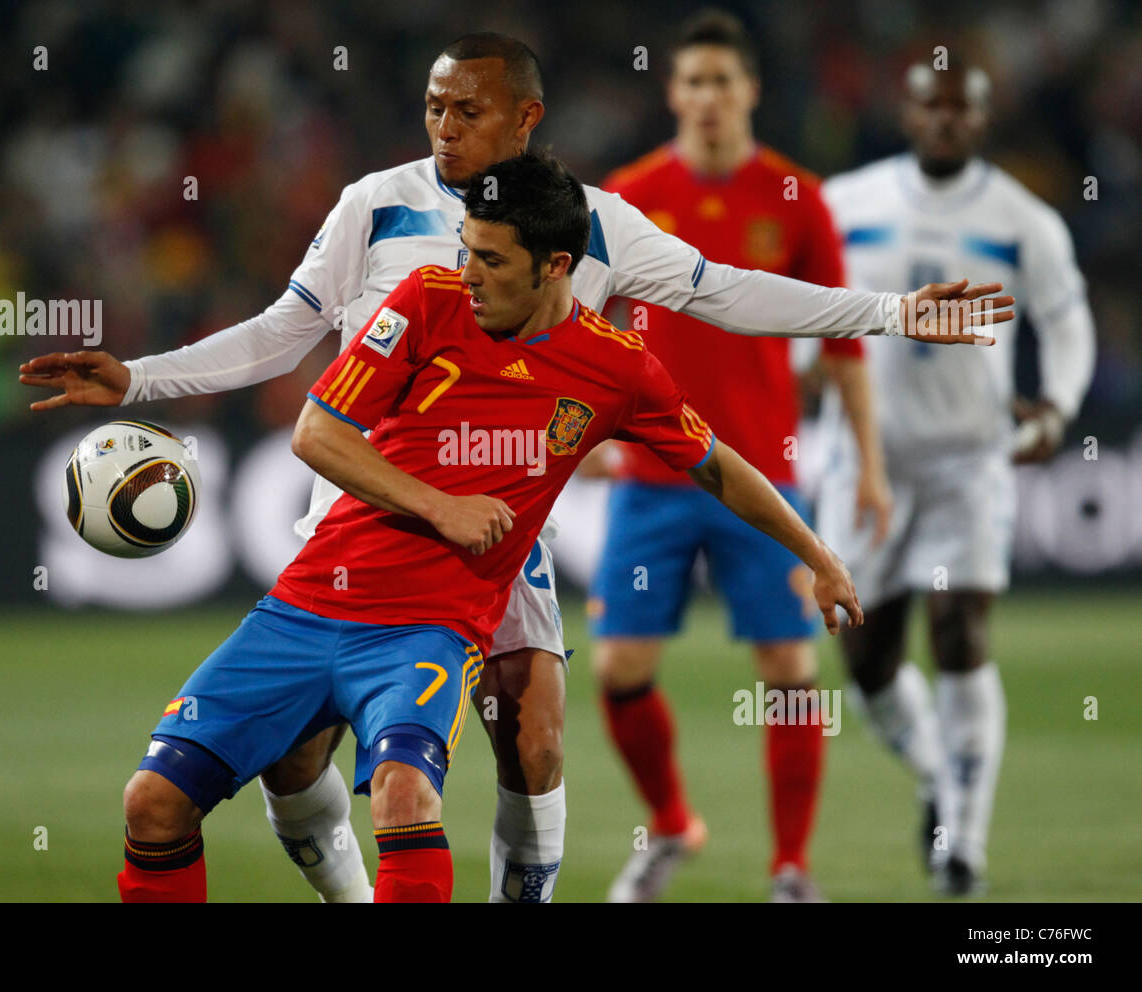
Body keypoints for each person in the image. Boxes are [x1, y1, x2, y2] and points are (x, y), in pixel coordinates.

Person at [21, 34, 1010, 903]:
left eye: (467, 108)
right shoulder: (377, 209)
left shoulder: (593, 225)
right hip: (356, 505)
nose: (444, 126)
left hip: (493, 520)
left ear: (526, 118)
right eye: (433, 107)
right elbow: (284, 335)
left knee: (530, 734)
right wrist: (142, 378)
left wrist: (886, 310)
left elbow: (728, 292)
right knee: (294, 757)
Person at [113, 149, 868, 903]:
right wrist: (442, 506)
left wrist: (819, 556)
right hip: (304, 606)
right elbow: (317, 435)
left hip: (427, 631)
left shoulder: (617, 369)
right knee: (152, 802)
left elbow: (717, 466)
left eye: (489, 259)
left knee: (411, 794)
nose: (466, 272)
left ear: (555, 266)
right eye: (465, 250)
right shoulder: (424, 300)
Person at [583, 9, 890, 904]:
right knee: (618, 670)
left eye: (724, 81)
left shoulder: (795, 196)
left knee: (790, 673)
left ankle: (791, 869)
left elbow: (843, 341)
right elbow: (588, 329)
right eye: (693, 82)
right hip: (653, 470)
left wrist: (869, 463)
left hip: (764, 474)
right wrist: (588, 431)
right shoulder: (629, 193)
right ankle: (673, 826)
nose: (709, 97)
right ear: (673, 93)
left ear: (749, 90)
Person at [815, 60, 1096, 895]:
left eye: (960, 110)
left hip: (971, 460)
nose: (944, 121)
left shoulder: (1024, 220)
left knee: (961, 633)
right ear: (906, 113)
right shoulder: (846, 202)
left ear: (982, 120)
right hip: (869, 460)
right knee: (866, 659)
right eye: (930, 106)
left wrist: (1055, 406)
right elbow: (807, 300)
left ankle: (962, 844)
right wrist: (798, 365)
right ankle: (941, 771)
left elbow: (1067, 318)